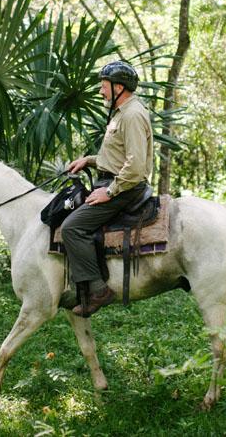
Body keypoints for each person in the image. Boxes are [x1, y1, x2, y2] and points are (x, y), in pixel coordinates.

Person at [61, 60, 154, 317]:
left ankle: (98, 290)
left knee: (72, 227)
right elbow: (117, 154)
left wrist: (109, 192)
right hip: (112, 180)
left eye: (104, 86)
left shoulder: (133, 115)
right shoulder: (120, 112)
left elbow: (134, 167)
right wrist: (89, 160)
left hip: (125, 188)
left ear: (119, 87)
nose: (101, 91)